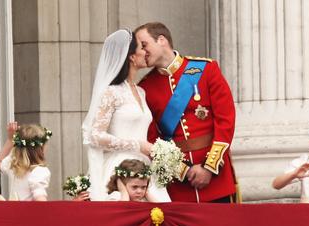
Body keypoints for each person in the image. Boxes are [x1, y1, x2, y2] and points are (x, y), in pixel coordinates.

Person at [136, 22, 238, 203]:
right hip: (179, 183)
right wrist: (183, 170)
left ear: (161, 40)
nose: (142, 52)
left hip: (216, 177)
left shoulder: (206, 69)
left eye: (144, 45)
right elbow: (152, 138)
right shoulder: (145, 87)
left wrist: (209, 167)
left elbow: (225, 121)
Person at [82, 29, 170, 202]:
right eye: (142, 47)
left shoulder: (141, 91)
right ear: (131, 56)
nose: (146, 52)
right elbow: (95, 136)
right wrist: (138, 145)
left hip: (145, 168)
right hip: (119, 168)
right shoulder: (111, 92)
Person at [0, 121, 51, 201]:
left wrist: (10, 140)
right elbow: (41, 201)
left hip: (14, 213)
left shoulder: (14, 167)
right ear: (40, 149)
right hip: (28, 213)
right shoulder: (39, 172)